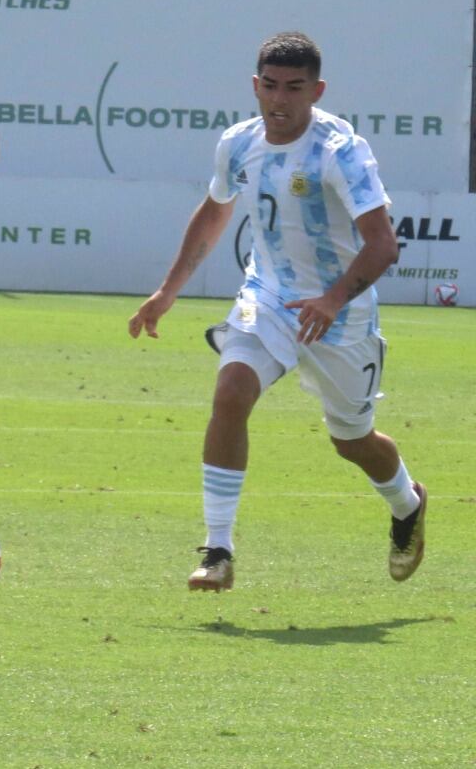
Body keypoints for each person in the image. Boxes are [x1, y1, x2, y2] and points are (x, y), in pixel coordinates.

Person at [128, 31, 426, 592]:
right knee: (231, 391)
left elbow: (382, 244)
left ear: (317, 89)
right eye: (269, 86)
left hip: (342, 317)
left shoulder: (340, 151)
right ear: (255, 85)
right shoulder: (238, 143)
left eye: (294, 88)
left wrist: (333, 300)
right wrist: (168, 291)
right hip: (267, 298)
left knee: (352, 441)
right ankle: (218, 550)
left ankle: (408, 504)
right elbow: (215, 211)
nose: (279, 100)